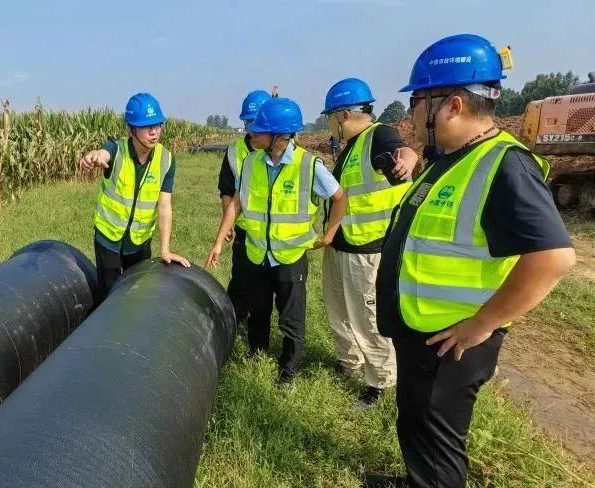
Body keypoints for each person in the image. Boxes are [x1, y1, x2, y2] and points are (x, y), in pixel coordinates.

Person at [375, 34, 576, 487]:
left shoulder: (505, 165)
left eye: (417, 102)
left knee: (438, 444)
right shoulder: (451, 157)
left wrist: (483, 323)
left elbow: (554, 257)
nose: (411, 114)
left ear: (453, 105)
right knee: (418, 422)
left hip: (453, 338)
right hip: (422, 328)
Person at [205, 97, 346, 388]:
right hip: (257, 253)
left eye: (259, 130)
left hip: (290, 257)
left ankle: (288, 372)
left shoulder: (308, 165)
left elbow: (339, 197)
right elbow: (237, 203)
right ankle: (258, 354)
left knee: (291, 319)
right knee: (258, 311)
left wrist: (330, 233)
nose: (252, 134)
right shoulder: (251, 162)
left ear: (279, 136)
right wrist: (219, 241)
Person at [319, 78, 418, 406]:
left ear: (343, 115)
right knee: (338, 309)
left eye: (330, 117)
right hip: (341, 245)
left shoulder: (379, 136)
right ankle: (348, 362)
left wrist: (407, 160)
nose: (329, 124)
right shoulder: (351, 145)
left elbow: (403, 153)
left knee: (366, 317)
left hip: (367, 249)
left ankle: (380, 381)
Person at [80, 92, 190, 303]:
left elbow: (164, 206)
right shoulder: (117, 150)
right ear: (131, 129)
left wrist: (165, 249)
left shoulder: (166, 159)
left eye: (157, 125)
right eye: (147, 126)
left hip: (139, 242)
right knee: (109, 297)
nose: (154, 132)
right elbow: (103, 153)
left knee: (136, 297)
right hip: (108, 239)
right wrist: (94, 156)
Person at [217, 90, 272, 323]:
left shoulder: (280, 151)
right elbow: (226, 190)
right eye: (248, 123)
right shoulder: (235, 151)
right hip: (244, 230)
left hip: (273, 232)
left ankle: (260, 320)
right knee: (240, 279)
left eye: (256, 122)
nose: (252, 129)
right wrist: (227, 223)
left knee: (267, 284)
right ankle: (235, 320)